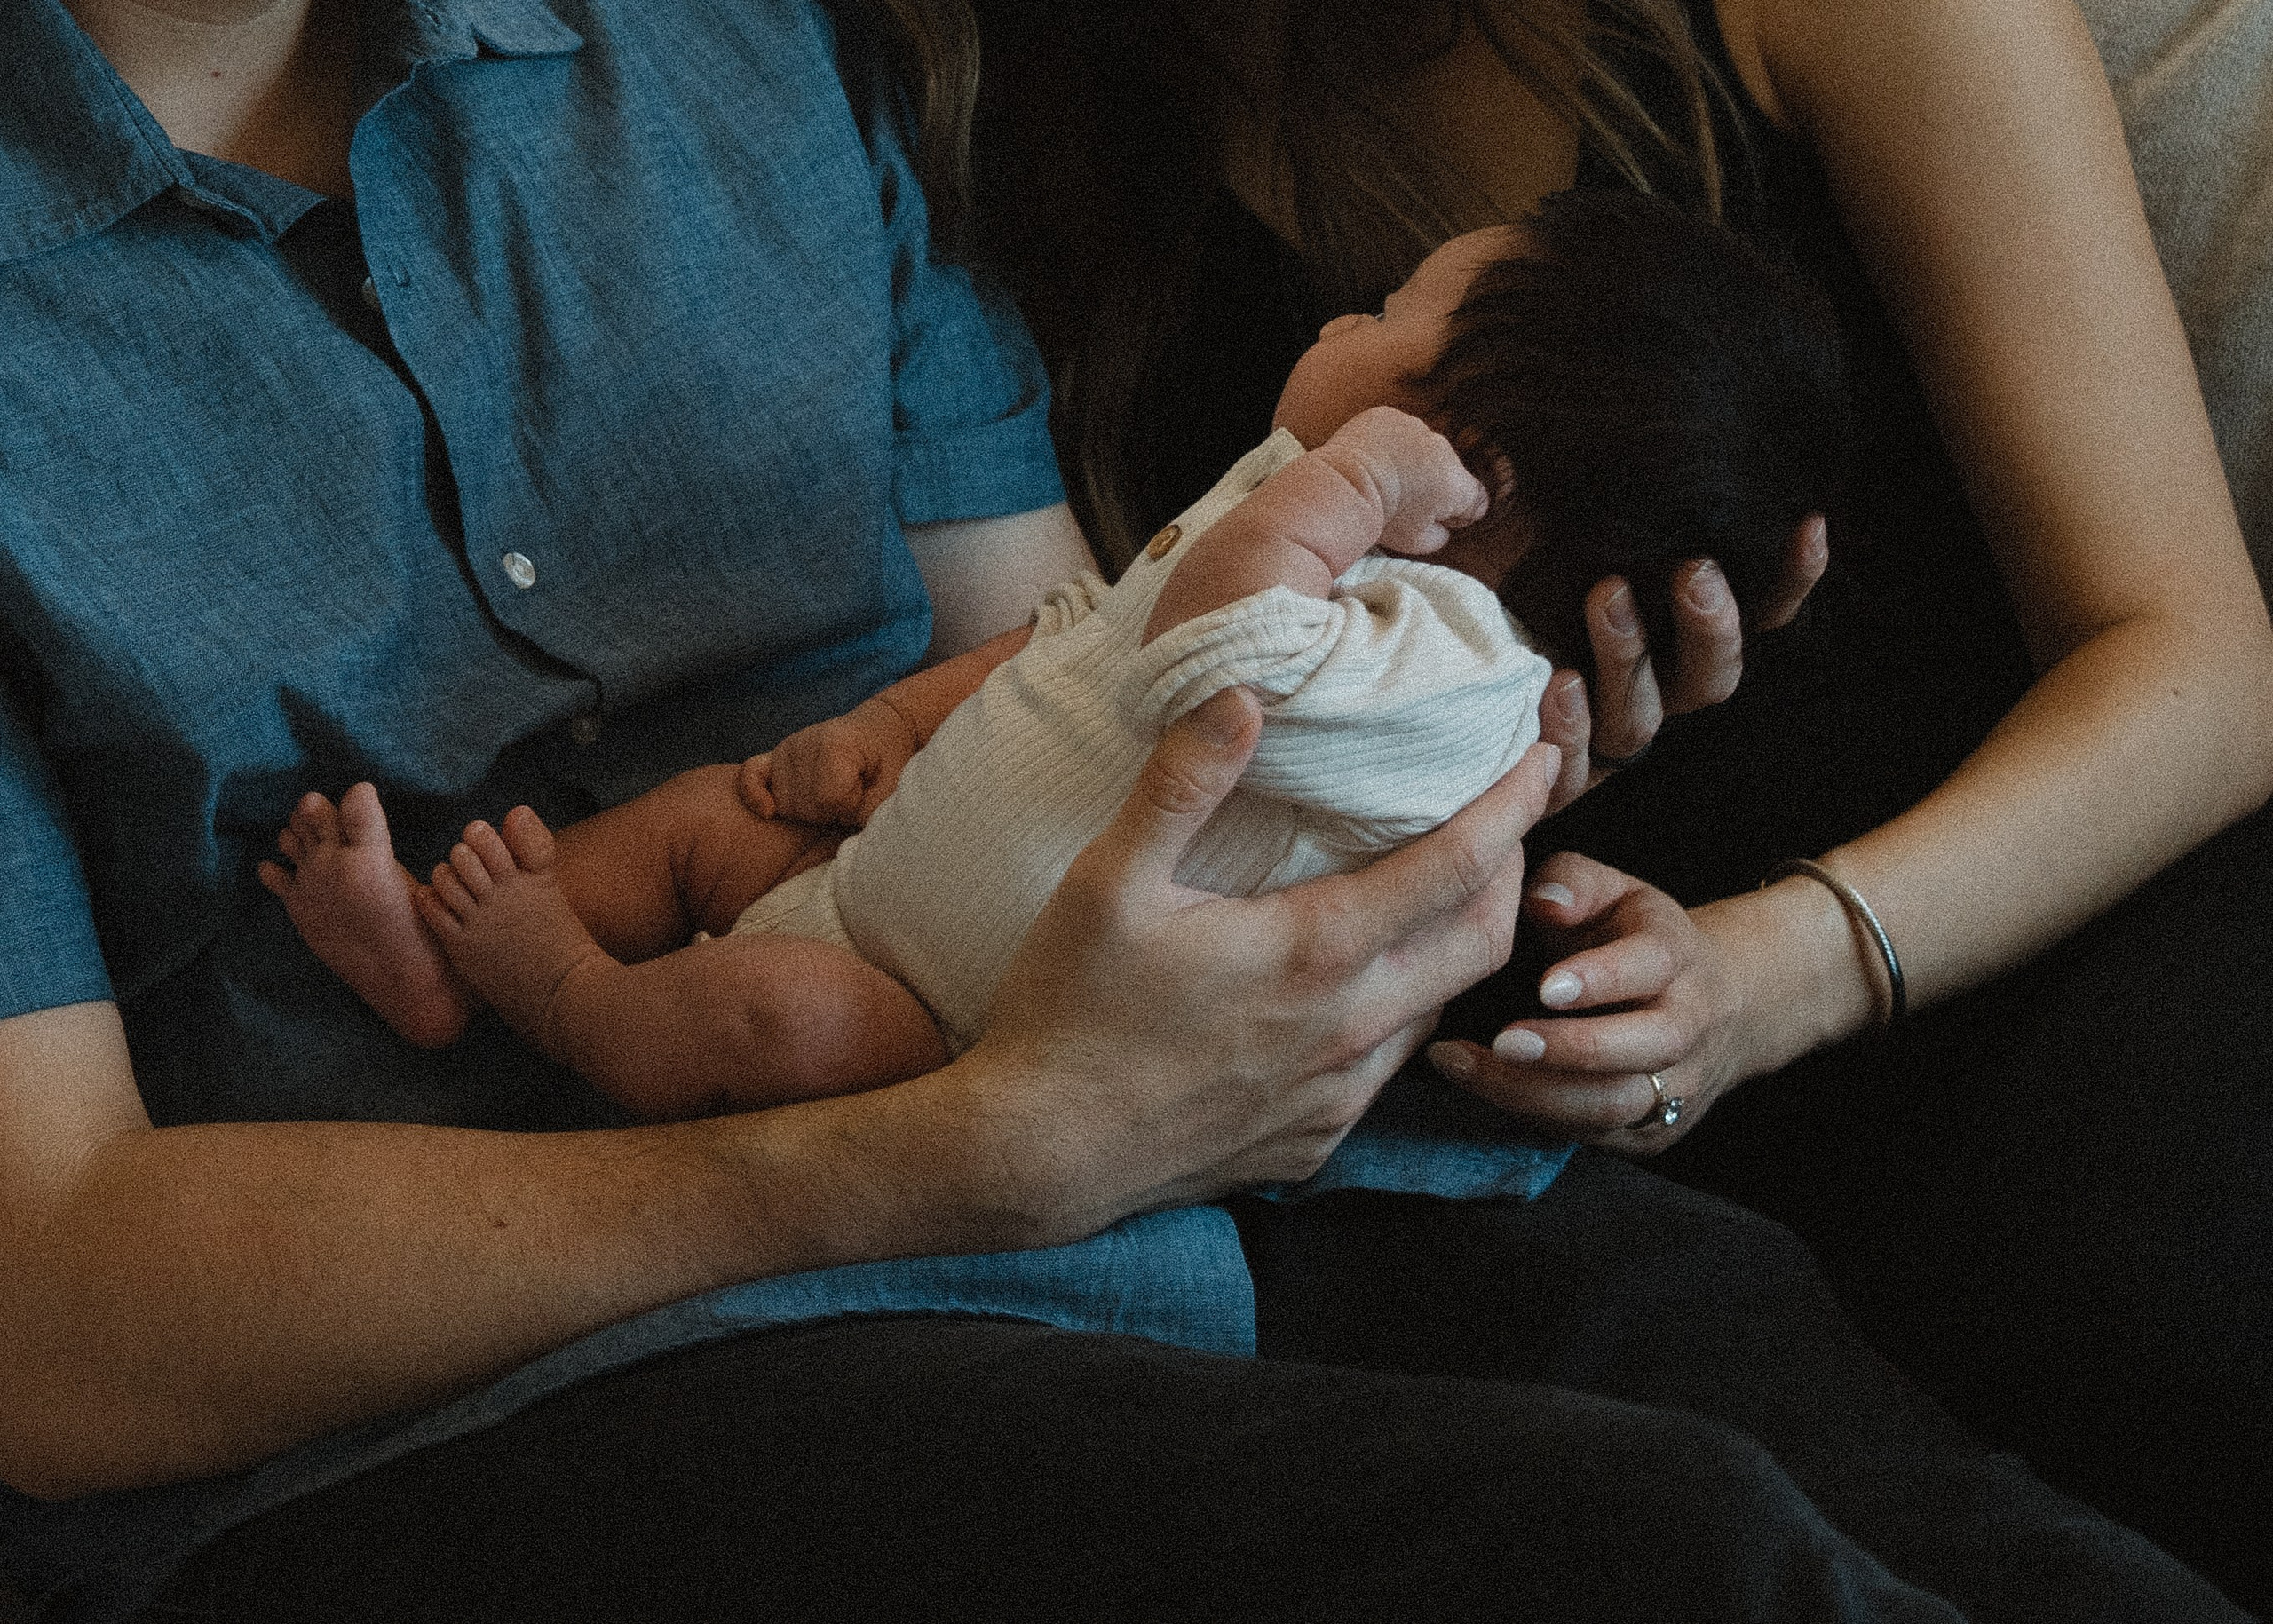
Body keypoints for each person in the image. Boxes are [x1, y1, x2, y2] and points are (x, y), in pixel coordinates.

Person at [0, 2, 2253, 1621]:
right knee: (1663, 1556)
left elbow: (1077, 680)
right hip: (520, 1367)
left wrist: (1415, 743)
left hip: (1211, 1161)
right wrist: (977, 1148)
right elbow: (48, 1324)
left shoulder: (767, 55)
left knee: (1980, 1535)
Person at [974, 0, 2273, 1610]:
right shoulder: (1059, 149)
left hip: (2069, 974)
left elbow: (2200, 667)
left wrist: (1763, 976)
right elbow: (1104, 764)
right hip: (1550, 1158)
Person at [262, 196, 1841, 1131]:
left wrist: (1336, 486)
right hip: (874, 858)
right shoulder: (1300, 533)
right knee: (700, 820)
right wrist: (888, 721)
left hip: (941, 1021)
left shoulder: (1450, 676)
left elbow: (1205, 668)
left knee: (785, 1023)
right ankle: (426, 957)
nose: (1339, 316)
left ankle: (560, 996)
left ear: (1462, 454)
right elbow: (1076, 647)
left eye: (1384, 313)